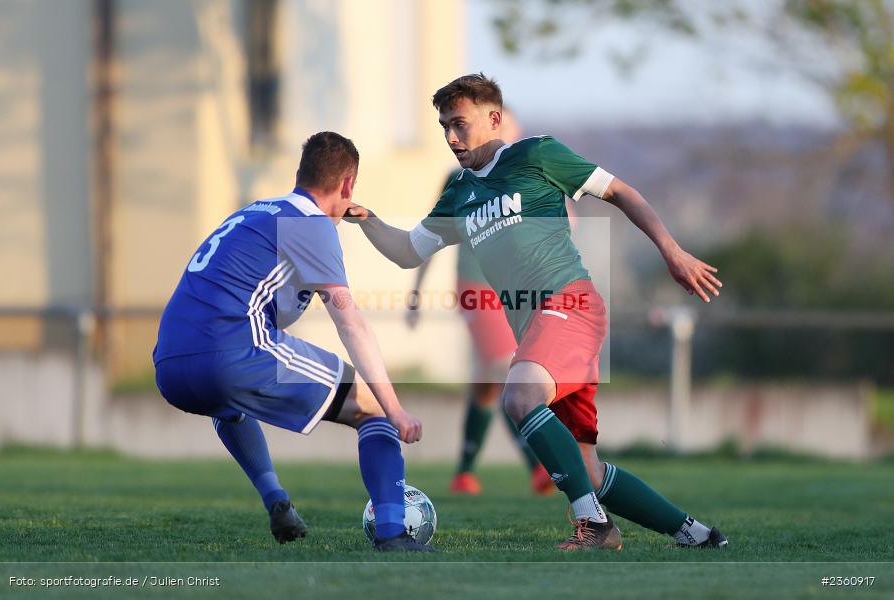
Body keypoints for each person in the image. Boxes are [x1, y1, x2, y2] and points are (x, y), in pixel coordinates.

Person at [346, 74, 728, 551]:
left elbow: (620, 192)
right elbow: (407, 251)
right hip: (536, 331)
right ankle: (698, 535)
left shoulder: (536, 154)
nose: (450, 137)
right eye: (444, 126)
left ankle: (595, 525)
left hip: (570, 306)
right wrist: (364, 218)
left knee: (519, 396)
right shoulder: (458, 192)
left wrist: (671, 250)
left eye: (459, 124)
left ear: (493, 118)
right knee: (587, 469)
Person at [153, 132, 432, 552]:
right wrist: (394, 407)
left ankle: (276, 500)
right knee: (371, 407)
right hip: (232, 352)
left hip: (170, 365)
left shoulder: (257, 212)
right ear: (348, 184)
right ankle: (393, 533)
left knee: (231, 407)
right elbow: (350, 322)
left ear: (301, 174)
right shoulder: (312, 226)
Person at [406, 109, 555, 497]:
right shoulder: (458, 179)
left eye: (507, 126)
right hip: (475, 286)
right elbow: (431, 235)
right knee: (504, 370)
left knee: (489, 385)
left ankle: (464, 472)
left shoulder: (526, 175)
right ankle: (538, 465)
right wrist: (416, 293)